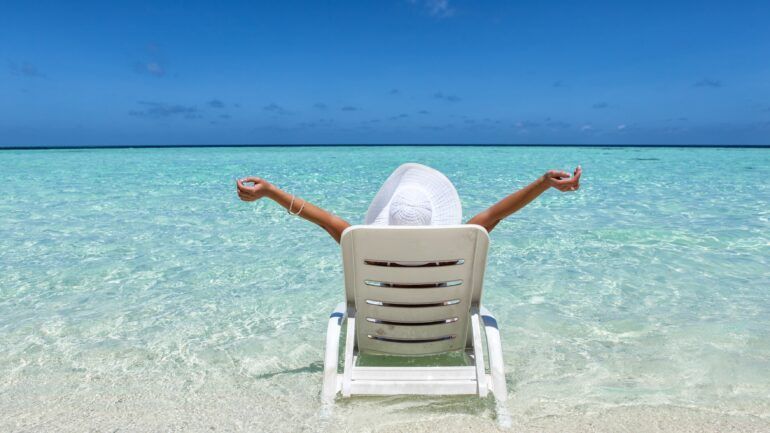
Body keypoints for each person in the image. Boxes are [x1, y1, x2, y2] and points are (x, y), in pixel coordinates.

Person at [236, 162, 581, 243]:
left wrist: (270, 192)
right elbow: (497, 213)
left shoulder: (363, 244)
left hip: (381, 331)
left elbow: (321, 218)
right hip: (442, 329)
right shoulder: (456, 243)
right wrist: (544, 183)